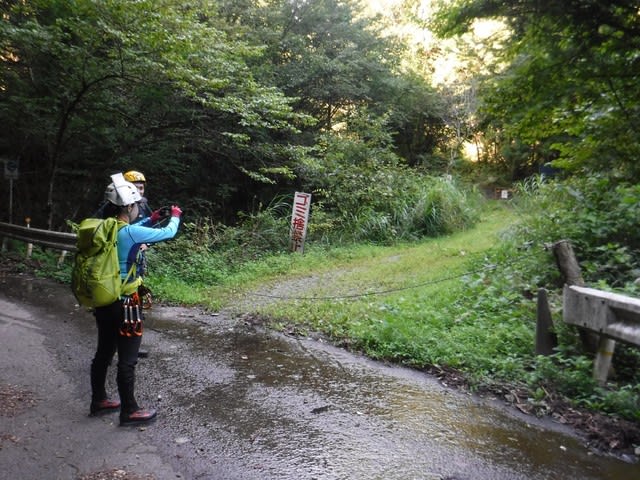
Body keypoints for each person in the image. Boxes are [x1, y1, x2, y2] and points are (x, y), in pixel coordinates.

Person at [89, 173, 182, 426]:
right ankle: (129, 410)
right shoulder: (130, 233)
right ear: (129, 207)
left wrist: (152, 218)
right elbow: (168, 233)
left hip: (104, 299)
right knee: (128, 359)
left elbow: (137, 230)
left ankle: (99, 400)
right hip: (127, 303)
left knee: (103, 352)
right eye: (135, 206)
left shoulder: (102, 228)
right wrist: (175, 215)